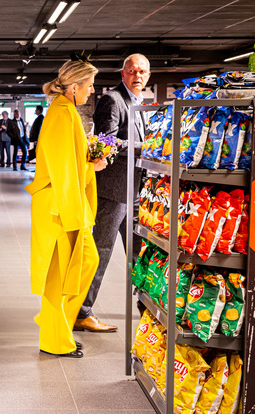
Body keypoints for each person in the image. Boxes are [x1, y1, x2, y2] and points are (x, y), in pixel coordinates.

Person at [25, 59, 106, 358]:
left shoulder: (66, 110)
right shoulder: (61, 114)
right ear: (74, 88)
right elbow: (62, 170)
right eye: (89, 86)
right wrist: (91, 169)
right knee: (58, 277)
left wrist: (89, 162)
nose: (92, 91)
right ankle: (54, 339)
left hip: (66, 203)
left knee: (85, 263)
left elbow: (70, 162)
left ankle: (55, 323)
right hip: (60, 206)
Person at [75, 53, 150, 333]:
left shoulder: (137, 102)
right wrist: (147, 147)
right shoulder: (113, 100)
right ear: (123, 73)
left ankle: (148, 308)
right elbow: (106, 140)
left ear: (148, 76)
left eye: (142, 71)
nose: (137, 75)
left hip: (133, 192)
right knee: (100, 252)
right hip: (113, 190)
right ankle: (81, 311)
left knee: (140, 254)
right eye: (132, 71)